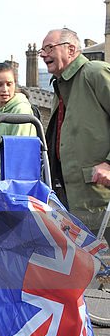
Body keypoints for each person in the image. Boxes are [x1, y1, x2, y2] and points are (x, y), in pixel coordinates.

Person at [40, 28, 110, 231]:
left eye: (49, 48)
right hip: (71, 196)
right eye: (42, 50)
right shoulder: (60, 86)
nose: (43, 54)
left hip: (100, 194)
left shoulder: (94, 73)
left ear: (71, 49)